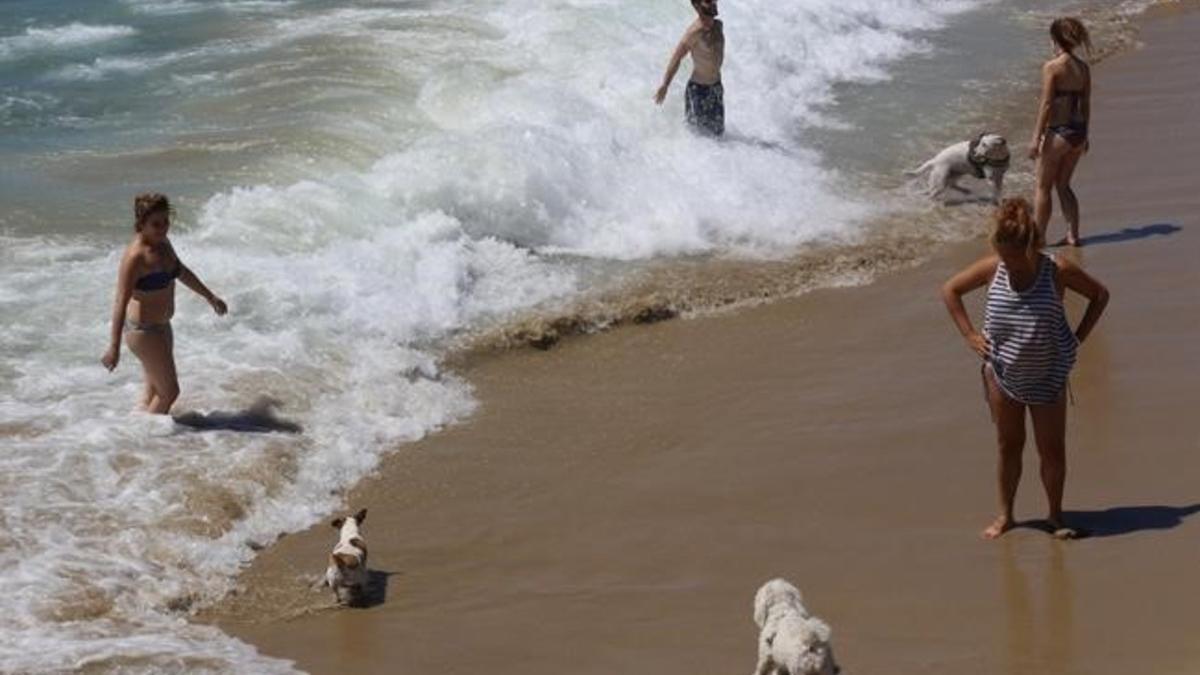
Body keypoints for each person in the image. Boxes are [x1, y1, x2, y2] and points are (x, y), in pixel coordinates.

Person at [941, 198, 1109, 540]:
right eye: (1004, 256)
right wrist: (970, 335)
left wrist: (1077, 339)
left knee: (1051, 449)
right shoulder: (992, 268)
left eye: (1016, 257)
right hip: (1002, 374)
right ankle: (1006, 515)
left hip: (1049, 375)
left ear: (1033, 246)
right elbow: (951, 290)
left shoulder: (1057, 270)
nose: (1010, 264)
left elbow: (1100, 296)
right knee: (1008, 445)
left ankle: (1055, 516)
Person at [101, 193, 227, 414]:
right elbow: (120, 301)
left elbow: (181, 272)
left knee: (153, 392)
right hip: (144, 332)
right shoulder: (136, 257)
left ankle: (140, 434)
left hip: (161, 327)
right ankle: (148, 439)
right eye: (156, 224)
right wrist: (114, 348)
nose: (163, 228)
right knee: (169, 392)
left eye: (166, 222)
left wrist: (210, 296)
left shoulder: (163, 244)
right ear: (141, 223)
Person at [1029, 17, 1092, 247]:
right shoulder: (1083, 68)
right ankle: (1073, 235)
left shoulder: (1052, 67)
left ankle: (1039, 238)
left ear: (1054, 39)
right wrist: (1086, 135)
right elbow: (1085, 104)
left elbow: (1046, 104)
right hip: (1077, 132)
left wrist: (1036, 138)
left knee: (1043, 187)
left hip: (1058, 132)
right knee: (1064, 185)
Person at [654, 0, 725, 137]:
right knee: (700, 138)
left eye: (713, 3)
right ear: (697, 7)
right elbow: (677, 57)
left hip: (716, 88)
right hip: (698, 90)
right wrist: (665, 84)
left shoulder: (718, 26)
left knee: (718, 136)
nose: (711, 5)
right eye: (707, 4)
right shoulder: (694, 32)